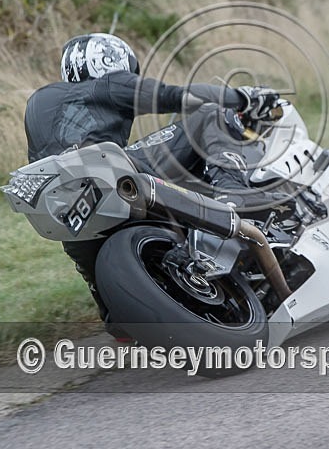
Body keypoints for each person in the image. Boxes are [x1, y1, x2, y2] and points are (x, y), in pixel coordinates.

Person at [23, 32, 294, 328]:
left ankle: (112, 307)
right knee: (209, 114)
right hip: (109, 173)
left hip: (65, 210)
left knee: (104, 296)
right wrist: (244, 97)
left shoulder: (38, 102)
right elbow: (175, 96)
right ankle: (233, 195)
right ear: (108, 60)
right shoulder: (107, 85)